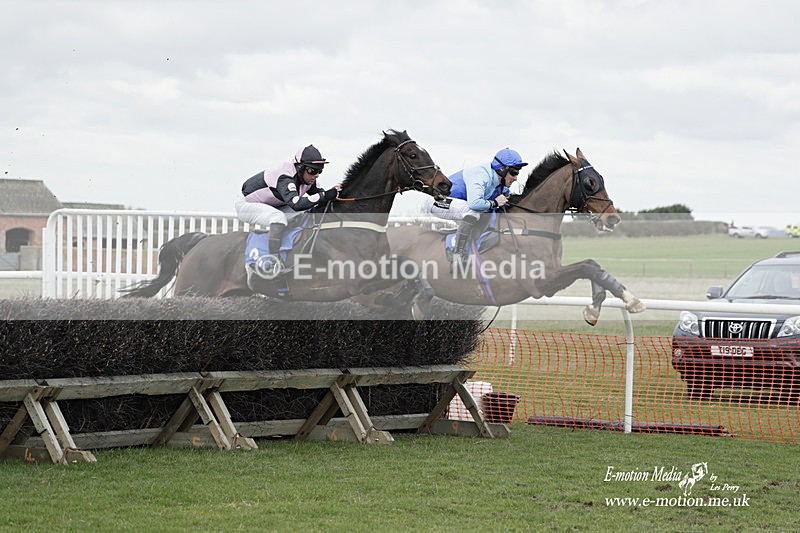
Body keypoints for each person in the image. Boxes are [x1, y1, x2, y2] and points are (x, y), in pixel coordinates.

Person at [235, 145, 340, 280]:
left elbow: (320, 196)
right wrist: (325, 195)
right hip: (247, 205)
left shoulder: (307, 177)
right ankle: (273, 262)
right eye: (312, 170)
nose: (316, 175)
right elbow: (296, 204)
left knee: (308, 210)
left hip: (274, 204)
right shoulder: (285, 176)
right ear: (300, 167)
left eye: (320, 171)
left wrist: (335, 193)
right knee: (278, 218)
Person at [426, 147, 528, 269]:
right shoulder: (481, 175)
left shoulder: (498, 182)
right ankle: (457, 256)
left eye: (517, 172)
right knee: (473, 211)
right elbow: (475, 203)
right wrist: (494, 203)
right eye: (514, 172)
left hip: (457, 204)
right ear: (502, 169)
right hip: (438, 201)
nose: (516, 177)